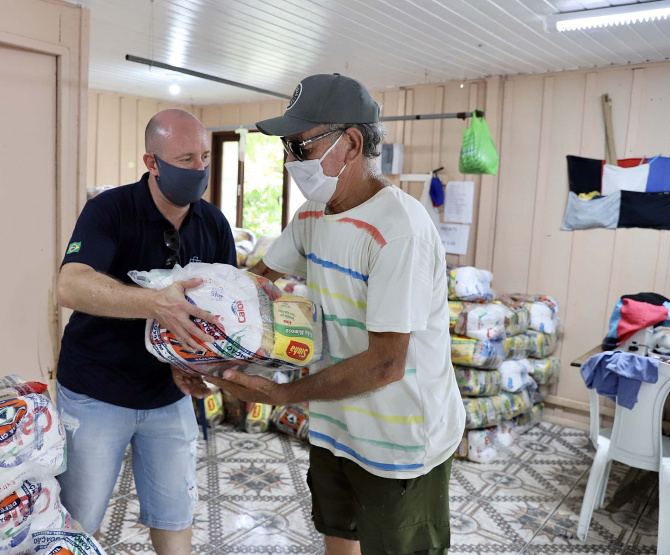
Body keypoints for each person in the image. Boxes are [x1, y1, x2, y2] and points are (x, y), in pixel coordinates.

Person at [202, 74, 465, 555]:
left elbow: (387, 362)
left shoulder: (399, 230)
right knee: (338, 536)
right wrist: (199, 338)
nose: (290, 161)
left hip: (398, 440)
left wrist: (284, 394)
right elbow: (254, 286)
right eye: (286, 147)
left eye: (300, 146)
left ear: (350, 143)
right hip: (335, 426)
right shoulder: (312, 215)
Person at [54, 109, 236, 555]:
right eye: (186, 158)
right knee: (80, 522)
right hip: (97, 393)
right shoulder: (109, 210)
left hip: (169, 397)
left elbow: (224, 310)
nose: (199, 169)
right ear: (152, 163)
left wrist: (203, 364)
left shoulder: (212, 223)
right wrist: (153, 303)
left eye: (204, 157)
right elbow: (70, 284)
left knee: (175, 517)